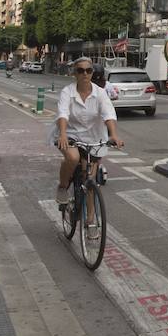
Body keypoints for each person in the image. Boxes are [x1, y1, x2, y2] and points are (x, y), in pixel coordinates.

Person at [53, 58, 123, 220]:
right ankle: (63, 187)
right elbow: (63, 113)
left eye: (88, 70)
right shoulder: (67, 92)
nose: (85, 74)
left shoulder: (100, 93)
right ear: (74, 73)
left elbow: (109, 114)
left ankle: (90, 222)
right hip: (70, 134)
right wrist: (62, 134)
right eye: (80, 70)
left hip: (93, 138)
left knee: (90, 181)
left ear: (92, 73)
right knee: (73, 157)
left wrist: (113, 135)